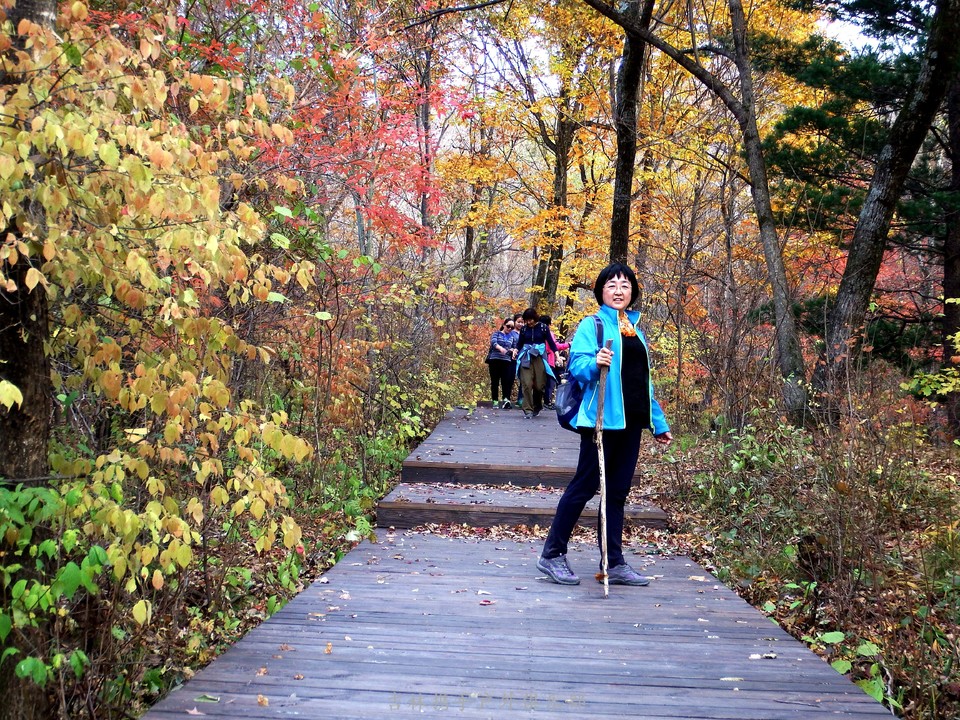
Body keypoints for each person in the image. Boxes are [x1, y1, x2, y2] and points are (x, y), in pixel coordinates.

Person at [536, 263, 672, 587]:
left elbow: (644, 383)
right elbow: (577, 366)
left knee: (617, 493)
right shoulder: (592, 325)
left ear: (632, 292)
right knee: (584, 487)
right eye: (612, 285)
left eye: (625, 285)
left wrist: (658, 422)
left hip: (631, 423)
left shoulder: (635, 330)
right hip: (601, 422)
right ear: (601, 291)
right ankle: (552, 554)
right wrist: (594, 362)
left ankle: (613, 562)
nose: (618, 291)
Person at [515, 308, 559, 418]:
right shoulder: (524, 329)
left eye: (530, 320)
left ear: (535, 318)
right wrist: (515, 350)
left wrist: (557, 356)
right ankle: (528, 410)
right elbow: (520, 343)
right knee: (526, 383)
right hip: (526, 356)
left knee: (539, 385)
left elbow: (551, 343)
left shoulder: (543, 328)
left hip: (539, 356)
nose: (529, 322)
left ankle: (537, 406)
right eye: (526, 320)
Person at [486, 318, 517, 409]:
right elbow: (493, 342)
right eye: (508, 326)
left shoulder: (512, 337)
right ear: (504, 325)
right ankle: (495, 400)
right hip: (495, 360)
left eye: (512, 327)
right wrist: (500, 348)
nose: (510, 329)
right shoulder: (497, 333)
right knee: (495, 381)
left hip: (506, 361)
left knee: (506, 381)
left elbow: (514, 347)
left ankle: (506, 400)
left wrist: (513, 351)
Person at [539, 314, 569, 409]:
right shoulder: (549, 333)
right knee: (550, 382)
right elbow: (555, 346)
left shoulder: (536, 333)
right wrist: (568, 344)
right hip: (549, 360)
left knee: (540, 382)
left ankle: (538, 402)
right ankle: (547, 402)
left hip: (538, 360)